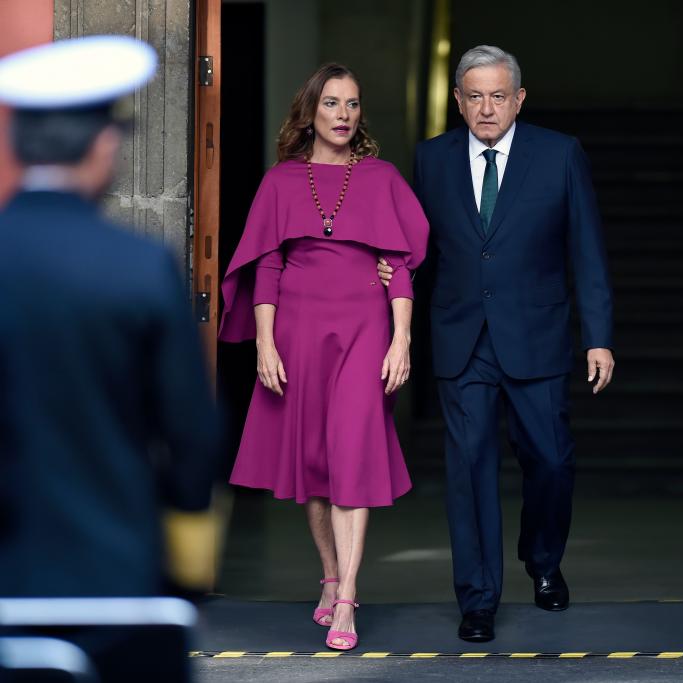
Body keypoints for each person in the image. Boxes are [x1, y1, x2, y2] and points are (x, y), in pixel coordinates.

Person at [379, 45, 614, 642]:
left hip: (536, 335)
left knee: (552, 462)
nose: (486, 107)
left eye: (498, 95)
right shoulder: (430, 159)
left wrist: (599, 338)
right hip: (462, 339)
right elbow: (418, 248)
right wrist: (392, 278)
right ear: (458, 100)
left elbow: (585, 251)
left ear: (519, 99)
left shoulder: (559, 155)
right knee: (470, 470)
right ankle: (478, 599)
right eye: (474, 95)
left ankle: (542, 561)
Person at [0, 36, 219, 599]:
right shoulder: (140, 267)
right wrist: (185, 555)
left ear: (16, 143)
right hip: (113, 570)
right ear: (103, 144)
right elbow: (190, 431)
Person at [219, 63, 428, 651]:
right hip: (298, 332)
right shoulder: (282, 181)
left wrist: (401, 337)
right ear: (310, 111)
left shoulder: (382, 177)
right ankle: (329, 572)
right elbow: (267, 265)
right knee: (313, 461)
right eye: (333, 103)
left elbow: (402, 264)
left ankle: (346, 599)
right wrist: (263, 342)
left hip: (364, 330)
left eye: (353, 104)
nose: (343, 115)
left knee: (353, 456)